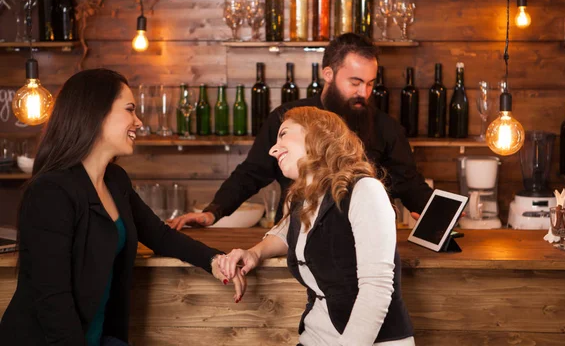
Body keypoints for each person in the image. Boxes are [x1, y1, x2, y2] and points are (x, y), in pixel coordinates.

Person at [0, 69, 245, 346]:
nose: (138, 122)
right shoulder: (51, 192)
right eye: (130, 110)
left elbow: (160, 236)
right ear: (96, 113)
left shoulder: (115, 181)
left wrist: (214, 261)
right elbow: (53, 300)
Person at [168, 33, 432, 230]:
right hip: (296, 237)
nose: (364, 93)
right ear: (328, 73)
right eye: (355, 82)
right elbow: (251, 173)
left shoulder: (386, 128)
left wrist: (438, 215)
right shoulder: (288, 119)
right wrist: (213, 212)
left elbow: (409, 184)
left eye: (370, 84)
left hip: (364, 243)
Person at [218, 106, 415, 345]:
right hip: (315, 337)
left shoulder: (365, 190)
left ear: (316, 133)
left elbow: (377, 290)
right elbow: (289, 232)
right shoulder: (301, 197)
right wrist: (253, 252)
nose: (272, 149)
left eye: (283, 134)